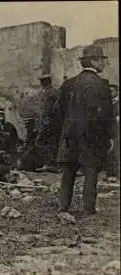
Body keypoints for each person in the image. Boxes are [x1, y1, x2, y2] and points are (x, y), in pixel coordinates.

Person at [56, 45, 114, 217]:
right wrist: (109, 136)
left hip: (69, 134)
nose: (104, 64)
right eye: (102, 60)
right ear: (94, 61)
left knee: (68, 171)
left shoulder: (68, 84)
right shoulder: (101, 85)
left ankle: (63, 206)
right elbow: (106, 114)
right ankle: (88, 208)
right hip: (91, 135)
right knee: (91, 170)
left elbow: (58, 111)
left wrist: (66, 128)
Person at [35, 74, 61, 173]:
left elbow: (48, 110)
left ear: (42, 83)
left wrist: (43, 122)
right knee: (54, 142)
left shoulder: (48, 94)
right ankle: (55, 165)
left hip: (49, 122)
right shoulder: (56, 92)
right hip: (57, 123)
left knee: (41, 142)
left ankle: (49, 164)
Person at [106, 84, 119, 180]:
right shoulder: (108, 103)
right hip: (110, 130)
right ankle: (110, 173)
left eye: (112, 91)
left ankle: (114, 173)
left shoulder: (117, 104)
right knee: (110, 151)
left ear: (117, 92)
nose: (110, 93)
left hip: (117, 129)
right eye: (109, 91)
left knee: (115, 151)